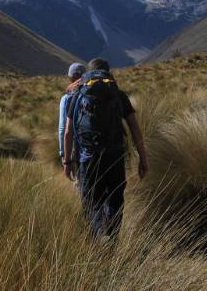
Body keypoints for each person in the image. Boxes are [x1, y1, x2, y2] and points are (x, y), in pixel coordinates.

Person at [63, 58, 148, 238]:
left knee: (91, 201)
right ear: (108, 72)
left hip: (88, 157)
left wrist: (67, 162)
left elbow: (68, 132)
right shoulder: (118, 94)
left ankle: (97, 238)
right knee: (115, 199)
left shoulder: (78, 94)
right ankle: (111, 237)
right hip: (115, 155)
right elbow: (134, 127)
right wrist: (143, 158)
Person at [58, 62, 86, 164]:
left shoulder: (66, 98)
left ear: (71, 78)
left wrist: (64, 155)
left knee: (81, 179)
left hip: (76, 149)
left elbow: (63, 129)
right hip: (95, 147)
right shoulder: (94, 94)